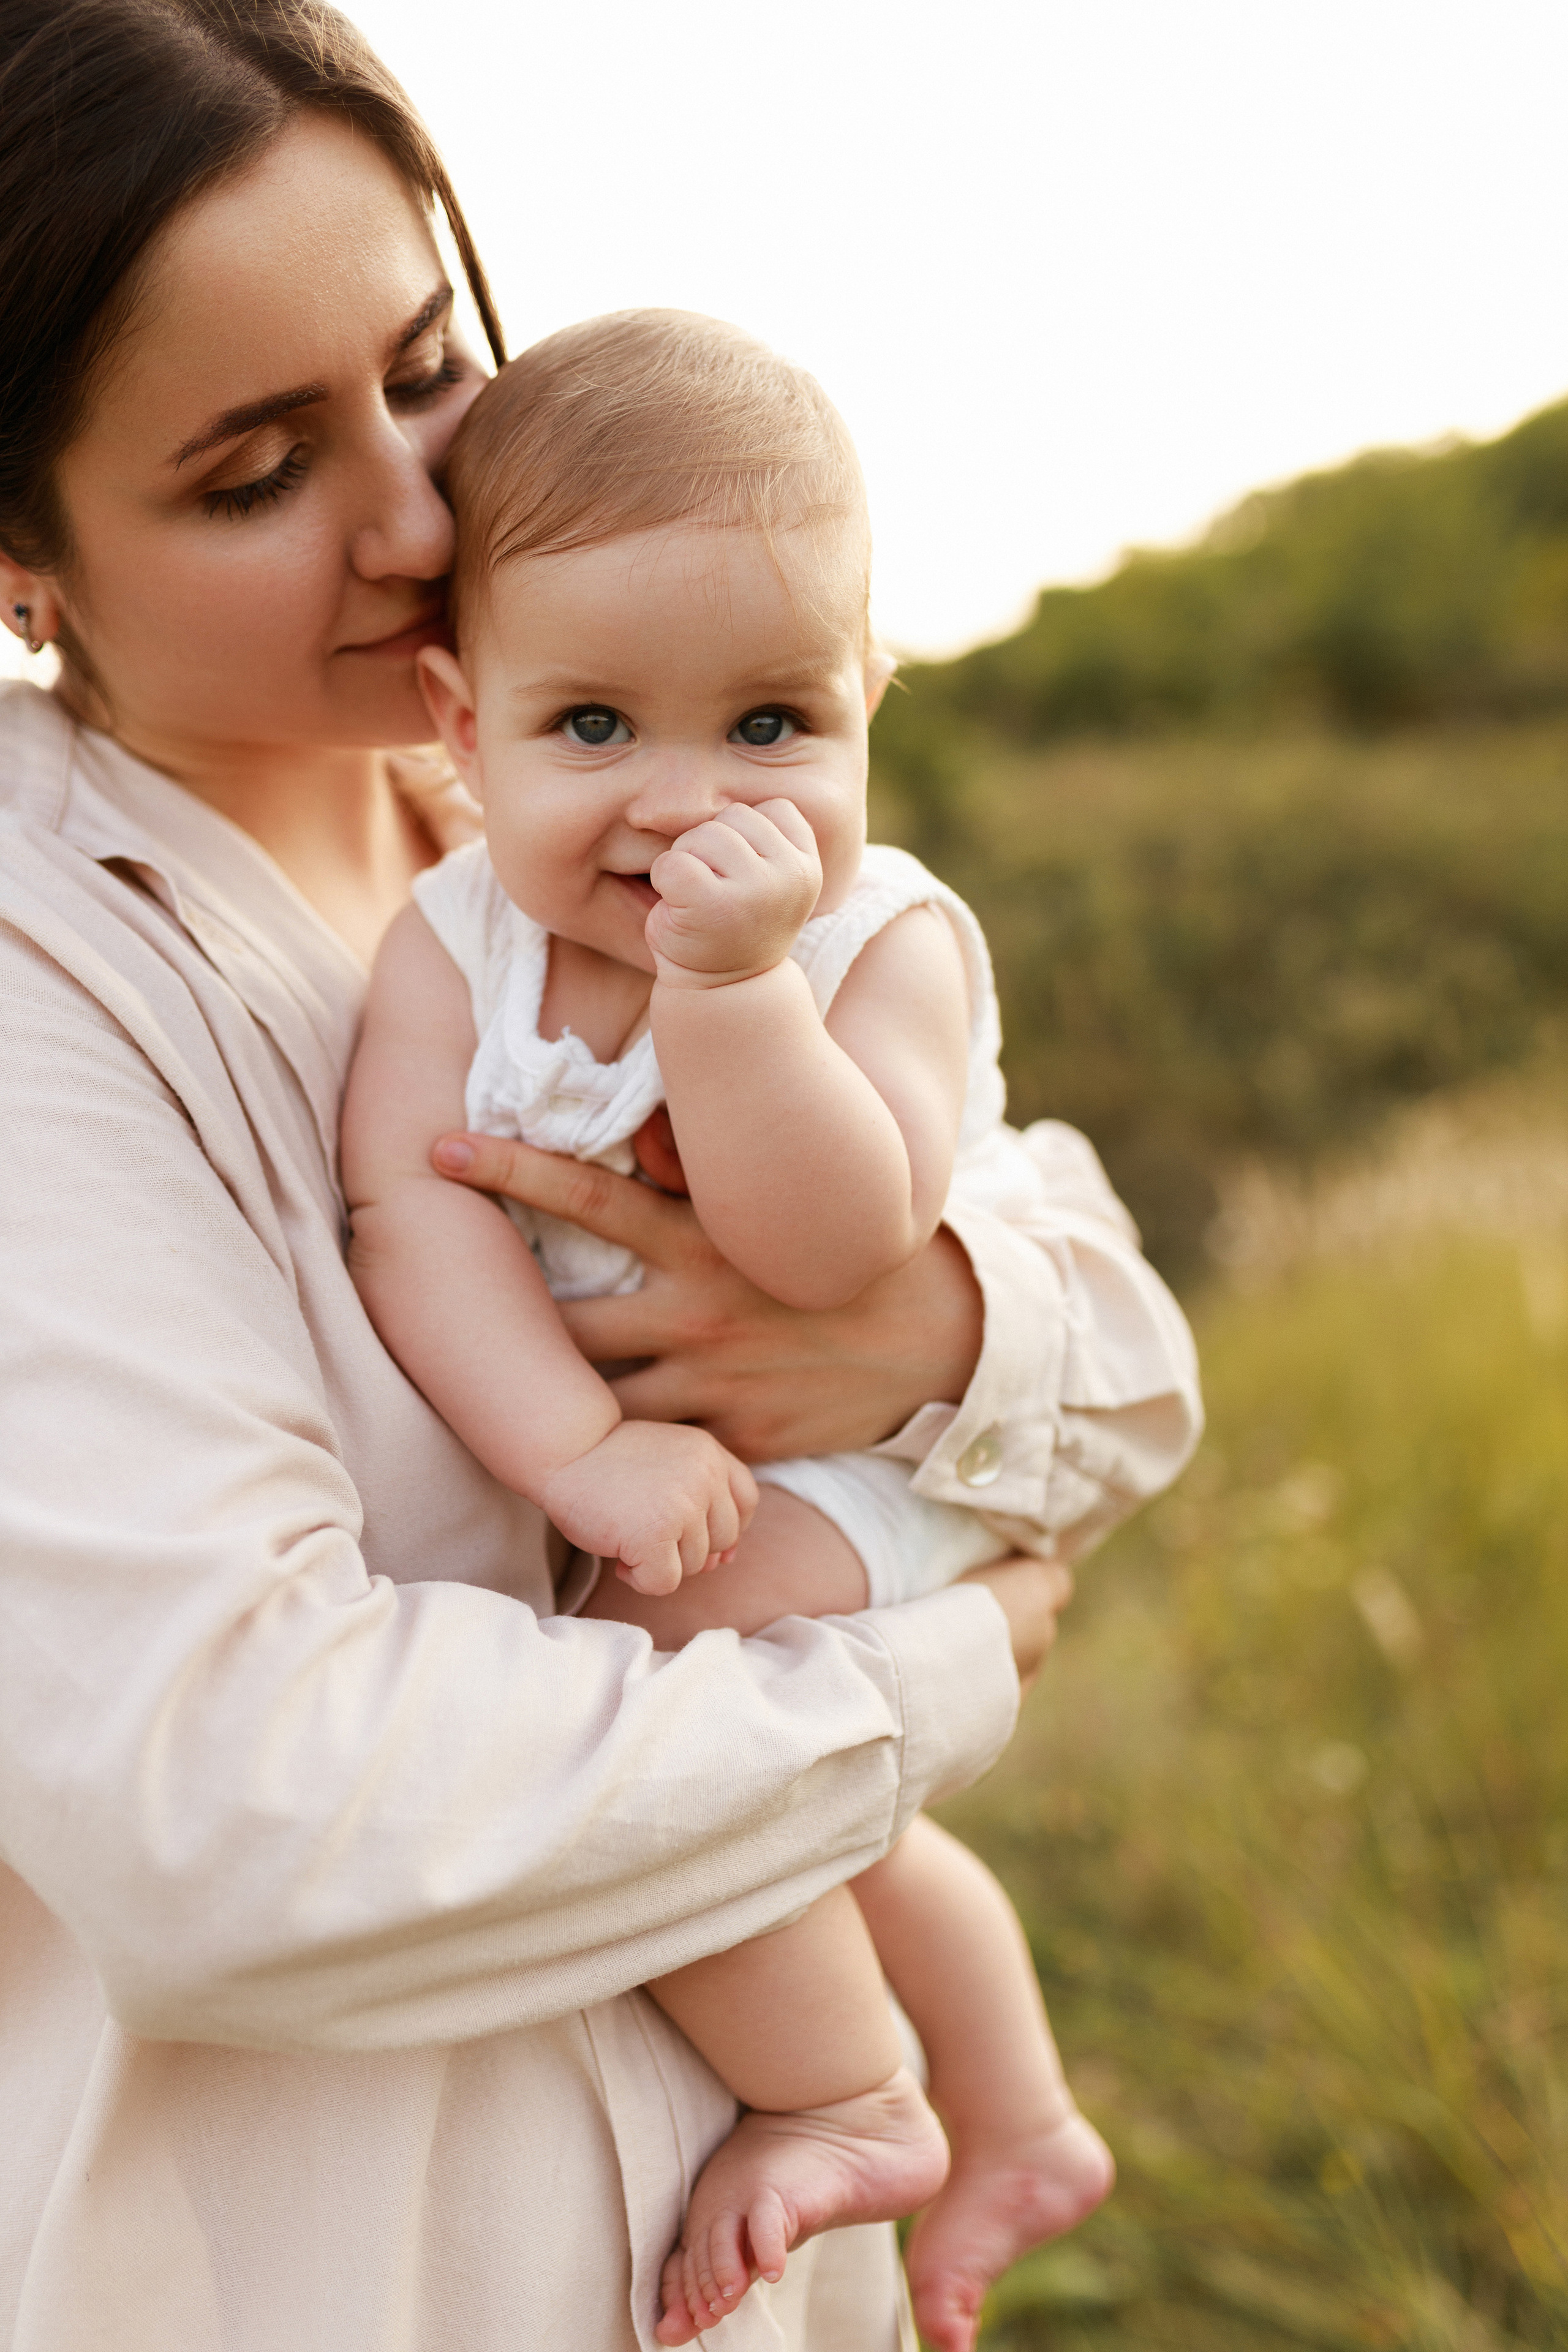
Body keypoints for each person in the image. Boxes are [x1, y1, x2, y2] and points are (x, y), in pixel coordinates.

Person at [0, 6, 1202, 2350]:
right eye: (258, 472)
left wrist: (931, 1324)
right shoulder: (55, 976)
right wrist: (932, 1669)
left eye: (424, 370)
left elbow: (1130, 1361)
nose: (418, 520)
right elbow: (229, 1818)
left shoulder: (589, 811)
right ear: (20, 548)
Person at [342, 312, 1116, 2351]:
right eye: (593, 725)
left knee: (644, 1710)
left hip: (866, 1462)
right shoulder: (452, 942)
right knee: (799, 1803)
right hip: (676, 1473)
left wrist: (735, 994)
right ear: (461, 721)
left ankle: (853, 2095)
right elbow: (410, 1206)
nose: (686, 804)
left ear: (868, 698)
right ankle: (1022, 2113)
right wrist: (574, 1452)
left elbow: (835, 1243)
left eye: (771, 724)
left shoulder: (875, 939)